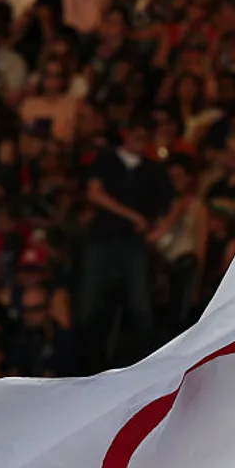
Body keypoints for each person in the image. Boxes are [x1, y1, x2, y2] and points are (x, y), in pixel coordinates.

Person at [75, 117, 172, 373]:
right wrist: (133, 216)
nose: (140, 142)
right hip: (102, 239)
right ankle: (83, 365)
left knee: (140, 305)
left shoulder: (153, 170)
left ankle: (147, 367)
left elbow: (169, 203)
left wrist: (155, 228)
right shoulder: (107, 160)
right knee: (89, 304)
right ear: (126, 135)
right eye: (136, 136)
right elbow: (94, 193)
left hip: (133, 243)